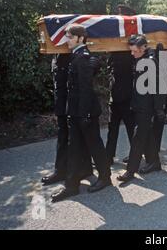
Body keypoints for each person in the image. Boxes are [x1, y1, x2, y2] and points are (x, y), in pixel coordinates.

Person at [51, 24, 112, 203]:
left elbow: (86, 90)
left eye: (69, 37)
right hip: (76, 111)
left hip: (84, 112)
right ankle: (72, 186)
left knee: (94, 145)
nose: (67, 40)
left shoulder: (83, 57)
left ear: (80, 38)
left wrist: (84, 115)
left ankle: (105, 177)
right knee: (74, 147)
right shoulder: (77, 56)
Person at [117, 36, 166, 183]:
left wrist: (158, 109)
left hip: (147, 107)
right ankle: (154, 162)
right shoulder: (141, 59)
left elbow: (158, 87)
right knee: (148, 134)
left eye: (135, 51)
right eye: (131, 51)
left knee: (138, 138)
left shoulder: (150, 62)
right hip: (139, 104)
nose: (132, 54)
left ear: (144, 48)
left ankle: (130, 171)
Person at [41, 54, 93, 186]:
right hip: (61, 99)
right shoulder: (56, 53)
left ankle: (80, 169)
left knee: (75, 136)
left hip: (70, 100)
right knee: (64, 135)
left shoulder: (72, 55)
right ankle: (63, 170)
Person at [105, 52, 135, 166]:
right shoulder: (113, 53)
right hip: (115, 98)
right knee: (112, 129)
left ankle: (134, 155)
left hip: (127, 99)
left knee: (131, 129)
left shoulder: (130, 54)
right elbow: (110, 70)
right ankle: (108, 156)